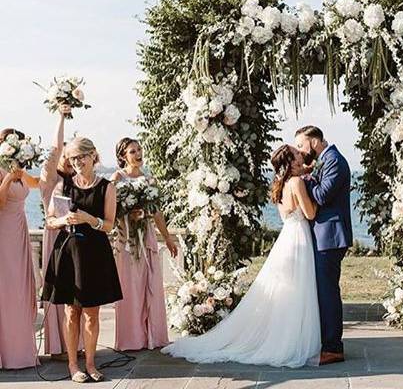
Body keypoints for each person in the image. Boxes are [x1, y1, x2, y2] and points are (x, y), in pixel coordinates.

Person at [162, 144, 321, 368]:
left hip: (288, 237)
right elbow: (310, 212)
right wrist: (315, 193)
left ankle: (283, 334)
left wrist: (306, 173)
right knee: (297, 288)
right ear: (291, 162)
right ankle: (291, 339)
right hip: (299, 238)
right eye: (297, 154)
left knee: (286, 289)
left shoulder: (283, 183)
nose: (301, 155)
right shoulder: (296, 183)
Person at [42, 137, 122, 383]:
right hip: (67, 253)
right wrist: (62, 221)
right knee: (71, 311)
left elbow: (109, 225)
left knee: (92, 313)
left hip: (95, 254)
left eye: (81, 157)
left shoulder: (107, 187)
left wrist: (88, 219)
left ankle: (90, 363)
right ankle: (73, 365)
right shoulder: (62, 187)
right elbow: (50, 220)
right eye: (73, 158)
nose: (77, 162)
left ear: (93, 156)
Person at [111, 138, 177, 351]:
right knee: (130, 287)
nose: (138, 154)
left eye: (139, 150)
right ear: (123, 156)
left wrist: (167, 237)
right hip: (127, 238)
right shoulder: (116, 178)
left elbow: (157, 212)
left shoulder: (150, 179)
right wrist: (127, 213)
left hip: (146, 235)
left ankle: (154, 337)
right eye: (133, 151)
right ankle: (131, 339)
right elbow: (110, 212)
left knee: (151, 285)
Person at [294, 126, 352, 365]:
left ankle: (333, 346)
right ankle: (325, 340)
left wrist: (301, 181)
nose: (299, 150)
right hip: (323, 235)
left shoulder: (335, 161)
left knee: (328, 292)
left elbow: (321, 195)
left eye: (301, 145)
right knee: (322, 290)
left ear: (314, 141)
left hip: (330, 236)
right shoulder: (325, 160)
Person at [37, 104, 82, 358]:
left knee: (75, 290)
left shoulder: (75, 180)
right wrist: (61, 117)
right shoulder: (49, 179)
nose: (69, 158)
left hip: (74, 238)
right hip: (55, 236)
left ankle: (74, 344)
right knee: (58, 289)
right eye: (68, 154)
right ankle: (58, 347)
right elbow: (55, 148)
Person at [0, 129, 38, 369]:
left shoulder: (21, 171)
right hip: (3, 233)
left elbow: (41, 182)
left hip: (20, 231)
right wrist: (7, 179)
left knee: (21, 290)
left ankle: (22, 351)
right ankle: (7, 353)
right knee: (7, 290)